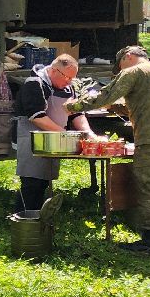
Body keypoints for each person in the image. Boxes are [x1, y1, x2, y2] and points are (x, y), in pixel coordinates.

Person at [68, 45, 150, 256]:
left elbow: (106, 94)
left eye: (120, 65)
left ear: (129, 57)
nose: (120, 69)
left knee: (148, 189)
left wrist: (74, 106)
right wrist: (117, 108)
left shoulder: (133, 71)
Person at [13, 53, 94, 213]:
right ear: (55, 70)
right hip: (31, 139)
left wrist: (88, 133)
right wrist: (65, 134)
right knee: (32, 182)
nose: (69, 81)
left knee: (43, 181)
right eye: (67, 77)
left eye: (72, 78)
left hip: (53, 140)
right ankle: (23, 220)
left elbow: (76, 114)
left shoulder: (68, 87)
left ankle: (37, 218)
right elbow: (37, 117)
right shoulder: (34, 83)